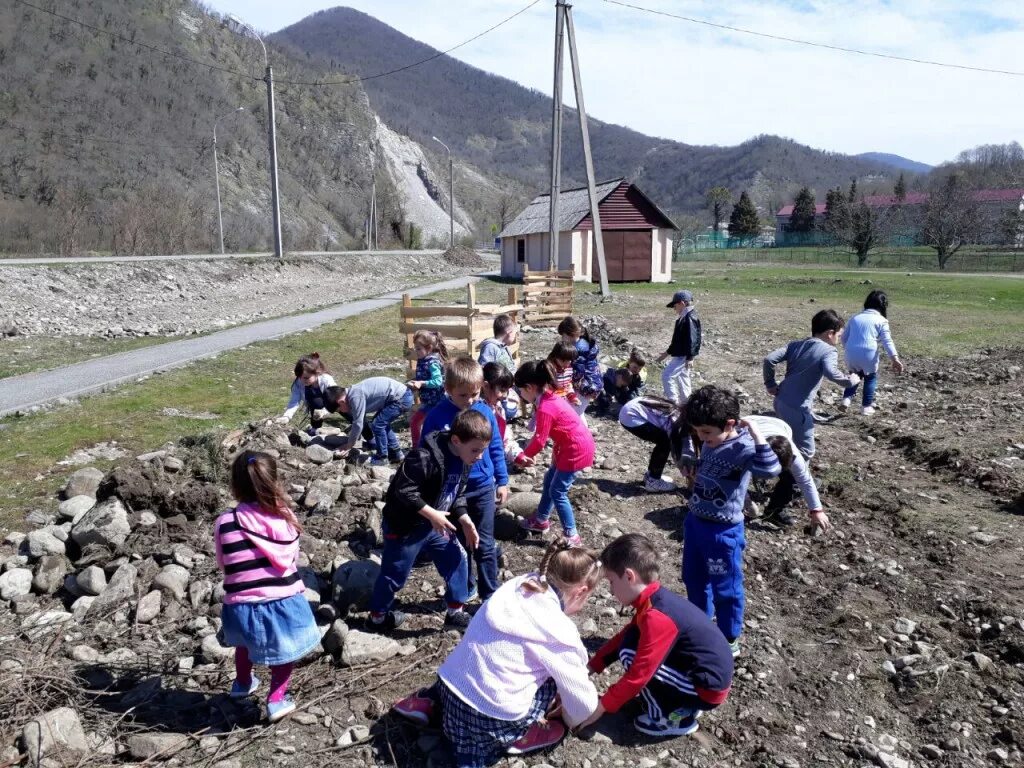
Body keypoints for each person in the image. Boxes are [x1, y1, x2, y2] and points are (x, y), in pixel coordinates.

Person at [391, 540, 602, 768]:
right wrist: (568, 717)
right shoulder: (560, 631)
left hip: (449, 688)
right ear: (581, 592)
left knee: (482, 653)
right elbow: (583, 704)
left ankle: (427, 701)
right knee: (554, 677)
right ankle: (520, 735)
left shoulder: (517, 585)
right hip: (490, 721)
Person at [579, 534, 734, 738]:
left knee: (629, 654)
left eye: (611, 581)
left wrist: (601, 707)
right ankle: (680, 704)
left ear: (628, 576)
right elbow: (625, 635)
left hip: (707, 690)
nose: (611, 590)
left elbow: (639, 675)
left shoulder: (657, 617)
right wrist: (591, 667)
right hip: (702, 676)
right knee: (630, 641)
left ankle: (667, 719)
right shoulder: (656, 599)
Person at [214, 451, 320, 723]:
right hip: (283, 603)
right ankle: (276, 699)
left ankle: (241, 684)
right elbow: (290, 562)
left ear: (235, 486)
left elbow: (224, 564)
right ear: (274, 482)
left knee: (244, 646)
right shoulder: (286, 519)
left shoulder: (226, 522)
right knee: (286, 652)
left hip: (239, 606)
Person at [366, 410, 492, 634]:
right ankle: (377, 617)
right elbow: (403, 491)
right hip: (405, 527)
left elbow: (455, 493)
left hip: (435, 525)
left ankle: (455, 612)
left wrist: (464, 518)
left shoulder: (465, 458)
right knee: (394, 575)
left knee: (457, 559)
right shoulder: (424, 457)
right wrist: (432, 513)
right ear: (456, 440)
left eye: (483, 450)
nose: (479, 456)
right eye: (476, 450)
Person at [684, 386, 781, 656]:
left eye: (706, 433)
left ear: (729, 424)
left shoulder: (744, 447)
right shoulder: (710, 441)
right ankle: (701, 627)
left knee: (726, 587)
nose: (701, 437)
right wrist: (692, 461)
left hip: (722, 531)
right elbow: (708, 462)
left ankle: (728, 638)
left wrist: (757, 434)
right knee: (693, 578)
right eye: (698, 432)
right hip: (695, 523)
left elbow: (771, 469)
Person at [421, 357, 509, 602]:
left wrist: (502, 480)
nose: (470, 401)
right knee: (460, 543)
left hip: (482, 486)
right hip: (452, 490)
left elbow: (496, 447)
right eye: (463, 396)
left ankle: (489, 594)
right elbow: (425, 454)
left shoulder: (483, 411)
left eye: (475, 393)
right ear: (448, 390)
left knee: (485, 543)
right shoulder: (437, 417)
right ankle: (466, 587)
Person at [514, 360, 596, 547]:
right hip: (567, 446)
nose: (520, 394)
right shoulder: (548, 397)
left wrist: (522, 457)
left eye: (520, 390)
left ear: (529, 387)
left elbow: (539, 440)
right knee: (549, 481)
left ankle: (572, 534)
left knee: (558, 491)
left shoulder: (545, 407)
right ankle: (541, 520)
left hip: (575, 449)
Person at [763, 309, 860, 459]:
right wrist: (851, 380)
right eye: (839, 335)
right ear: (830, 333)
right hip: (798, 408)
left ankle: (781, 471)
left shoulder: (795, 344)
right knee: (806, 451)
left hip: (780, 400)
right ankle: (792, 481)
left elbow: (769, 359)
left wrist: (770, 383)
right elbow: (831, 373)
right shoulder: (829, 351)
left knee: (788, 441)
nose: (839, 340)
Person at [740, 414, 830, 531]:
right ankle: (759, 475)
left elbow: (805, 480)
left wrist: (817, 510)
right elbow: (734, 478)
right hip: (748, 424)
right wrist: (746, 501)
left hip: (780, 426)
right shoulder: (742, 448)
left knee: (792, 478)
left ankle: (774, 510)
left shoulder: (794, 457)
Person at [840, 290, 905, 416]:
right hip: (869, 353)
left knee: (854, 376)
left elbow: (843, 337)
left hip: (851, 352)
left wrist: (849, 348)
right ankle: (866, 406)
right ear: (883, 306)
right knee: (870, 378)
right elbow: (887, 341)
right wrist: (894, 358)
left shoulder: (855, 317)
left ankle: (846, 400)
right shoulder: (881, 320)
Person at [325, 377, 414, 466]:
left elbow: (358, 424)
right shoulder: (353, 393)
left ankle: (382, 458)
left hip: (402, 398)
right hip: (399, 397)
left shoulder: (355, 397)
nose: (342, 412)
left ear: (341, 402)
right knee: (381, 423)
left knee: (377, 425)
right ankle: (396, 453)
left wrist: (349, 445)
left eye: (339, 410)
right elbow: (358, 420)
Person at [617, 396, 685, 493]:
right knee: (665, 442)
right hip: (631, 416)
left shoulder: (679, 411)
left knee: (663, 440)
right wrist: (684, 469)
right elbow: (676, 449)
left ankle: (650, 476)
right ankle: (653, 481)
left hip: (630, 409)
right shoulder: (675, 423)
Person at [656, 290, 701, 404]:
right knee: (683, 378)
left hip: (683, 355)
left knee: (667, 376)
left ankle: (673, 402)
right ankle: (686, 404)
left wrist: (690, 357)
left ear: (682, 303)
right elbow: (677, 341)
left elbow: (693, 338)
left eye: (675, 305)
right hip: (682, 354)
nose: (674, 309)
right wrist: (666, 353)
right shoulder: (684, 317)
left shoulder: (689, 318)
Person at [408, 330, 449, 447]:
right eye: (415, 348)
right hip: (428, 401)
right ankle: (418, 446)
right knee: (417, 422)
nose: (416, 352)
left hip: (436, 401)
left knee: (432, 424)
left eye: (419, 349)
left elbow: (438, 381)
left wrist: (422, 383)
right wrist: (415, 382)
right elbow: (425, 377)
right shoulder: (424, 360)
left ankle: (436, 446)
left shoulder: (432, 363)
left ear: (429, 348)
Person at [558, 316, 603, 420]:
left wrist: (567, 380)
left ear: (570, 334)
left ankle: (580, 435)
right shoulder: (584, 342)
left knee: (573, 414)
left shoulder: (578, 349)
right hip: (592, 382)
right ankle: (586, 433)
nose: (562, 338)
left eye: (563, 335)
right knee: (578, 410)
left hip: (587, 385)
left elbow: (578, 371)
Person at [478, 313, 521, 421]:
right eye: (514, 334)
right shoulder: (491, 347)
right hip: (498, 388)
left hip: (507, 385)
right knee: (509, 411)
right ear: (509, 332)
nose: (515, 337)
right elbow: (485, 368)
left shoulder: (503, 347)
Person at [279, 353, 336, 430]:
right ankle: (315, 428)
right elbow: (294, 402)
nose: (302, 380)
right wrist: (287, 416)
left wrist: (325, 411)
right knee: (315, 402)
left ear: (317, 373)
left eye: (306, 378)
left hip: (334, 402)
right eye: (300, 377)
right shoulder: (298, 383)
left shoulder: (326, 379)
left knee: (343, 406)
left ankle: (354, 422)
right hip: (316, 405)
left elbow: (337, 397)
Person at [481, 362, 523, 465]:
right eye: (502, 390)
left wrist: (517, 455)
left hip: (493, 464)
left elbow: (503, 438)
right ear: (486, 386)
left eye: (507, 390)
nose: (505, 396)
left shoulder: (498, 409)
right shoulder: (475, 412)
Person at [595, 349, 647, 415]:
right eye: (635, 367)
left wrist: (632, 397)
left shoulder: (637, 377)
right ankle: (602, 402)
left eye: (640, 369)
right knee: (606, 397)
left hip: (626, 389)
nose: (637, 370)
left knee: (630, 398)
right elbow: (612, 380)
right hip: (615, 386)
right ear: (629, 363)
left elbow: (636, 388)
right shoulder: (622, 369)